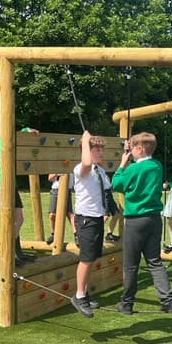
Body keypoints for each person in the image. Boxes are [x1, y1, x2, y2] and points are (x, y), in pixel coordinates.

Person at [110, 132, 172, 315]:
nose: (130, 152)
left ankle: (126, 303)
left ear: (139, 149)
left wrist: (122, 164)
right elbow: (141, 169)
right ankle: (168, 301)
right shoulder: (156, 165)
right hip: (154, 219)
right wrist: (131, 155)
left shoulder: (132, 169)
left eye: (132, 148)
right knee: (154, 262)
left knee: (131, 265)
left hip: (135, 221)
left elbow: (116, 184)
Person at [0, 113, 38, 266]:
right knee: (17, 220)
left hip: (0, 183)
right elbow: (11, 143)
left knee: (15, 220)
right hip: (3, 183)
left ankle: (17, 253)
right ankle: (8, 252)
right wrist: (25, 131)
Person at [68, 132, 107, 317]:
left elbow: (106, 189)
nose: (100, 152)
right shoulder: (80, 169)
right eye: (96, 149)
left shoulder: (99, 170)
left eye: (101, 149)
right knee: (86, 258)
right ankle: (79, 296)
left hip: (97, 218)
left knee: (91, 258)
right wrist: (84, 141)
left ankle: (84, 291)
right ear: (86, 151)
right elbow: (85, 163)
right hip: (86, 219)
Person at [46, 172, 75, 245]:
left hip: (66, 190)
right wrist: (57, 173)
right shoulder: (56, 164)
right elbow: (50, 178)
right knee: (52, 215)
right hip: (55, 190)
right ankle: (53, 235)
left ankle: (77, 235)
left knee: (70, 214)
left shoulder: (72, 164)